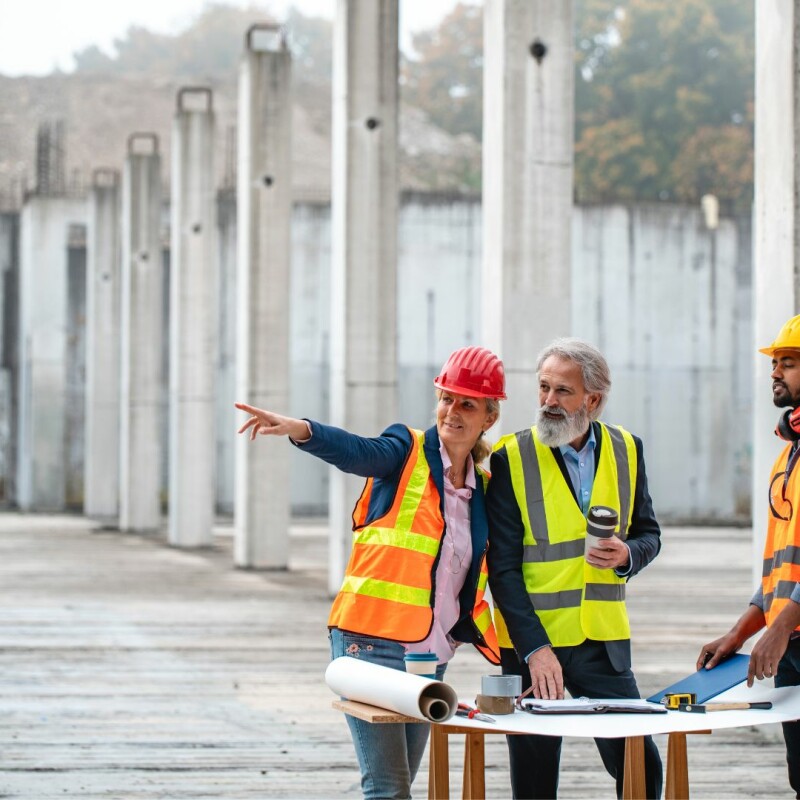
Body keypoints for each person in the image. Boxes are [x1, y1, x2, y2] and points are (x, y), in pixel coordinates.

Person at [235, 346, 505, 800]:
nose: (451, 411)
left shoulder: (484, 488)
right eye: (446, 398)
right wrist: (302, 430)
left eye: (467, 404)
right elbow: (358, 451)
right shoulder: (406, 451)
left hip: (430, 654)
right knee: (387, 786)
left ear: (488, 417)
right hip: (369, 642)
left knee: (401, 781)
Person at [486, 337, 663, 799]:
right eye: (543, 387)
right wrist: (534, 650)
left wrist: (628, 556)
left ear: (593, 400)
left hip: (603, 644)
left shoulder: (628, 449)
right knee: (535, 781)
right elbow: (501, 570)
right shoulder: (511, 457)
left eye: (562, 391)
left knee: (642, 769)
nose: (548, 401)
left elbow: (649, 534)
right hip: (534, 647)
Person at [698, 313, 800, 799]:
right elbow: (780, 567)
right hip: (791, 643)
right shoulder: (787, 457)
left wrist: (778, 631)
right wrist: (741, 632)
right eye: (776, 363)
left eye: (790, 362)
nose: (776, 372)